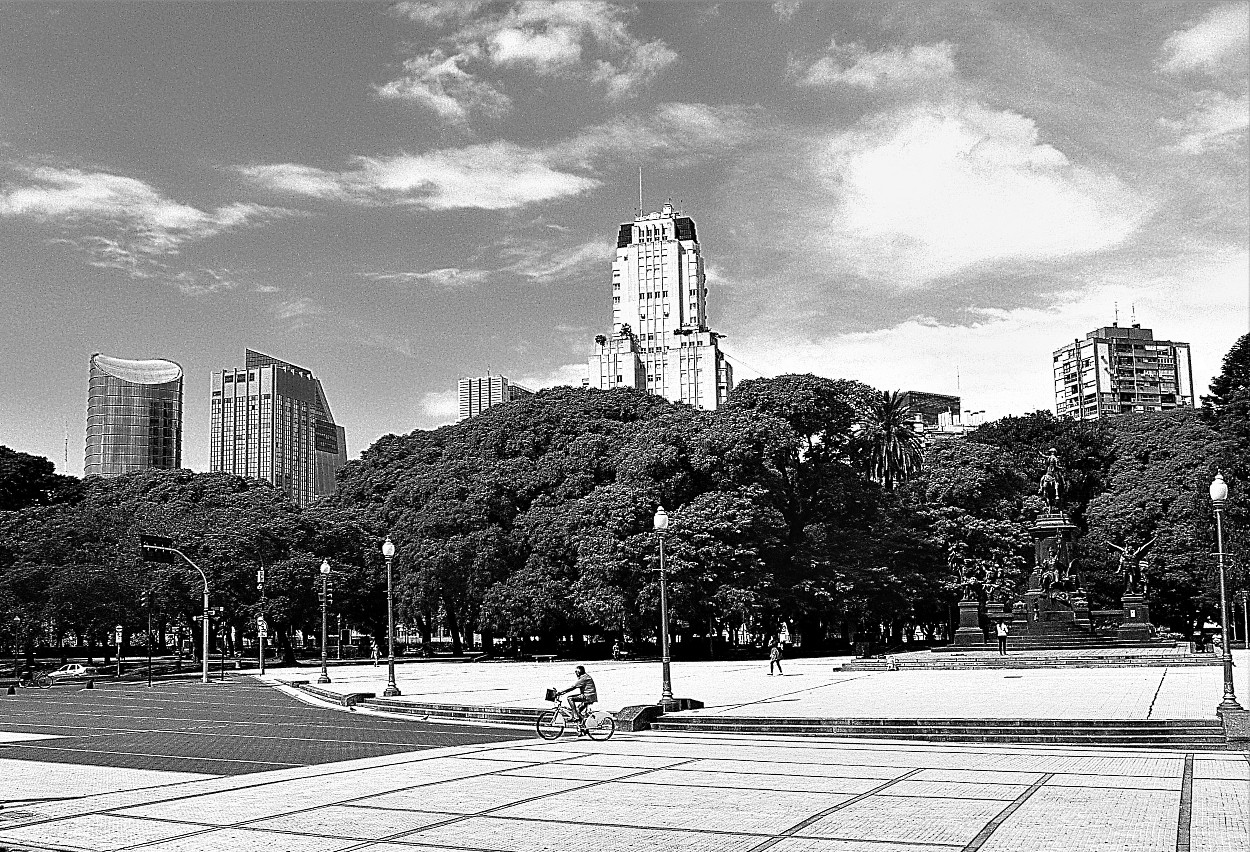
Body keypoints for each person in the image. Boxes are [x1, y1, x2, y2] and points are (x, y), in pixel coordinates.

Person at [556, 665, 597, 734]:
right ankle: (581, 730)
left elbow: (573, 687)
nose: (576, 674)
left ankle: (575, 716)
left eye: (576, 672)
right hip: (589, 696)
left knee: (570, 698)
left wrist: (561, 692)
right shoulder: (585, 676)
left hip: (587, 696)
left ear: (578, 672)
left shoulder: (583, 678)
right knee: (578, 710)